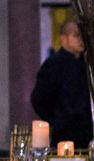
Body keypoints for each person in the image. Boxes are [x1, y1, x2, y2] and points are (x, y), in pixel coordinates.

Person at [31, 19, 93, 149]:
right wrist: (57, 120)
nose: (81, 39)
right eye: (76, 35)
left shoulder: (88, 64)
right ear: (64, 38)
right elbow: (39, 98)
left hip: (88, 132)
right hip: (64, 133)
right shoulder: (53, 64)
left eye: (83, 35)